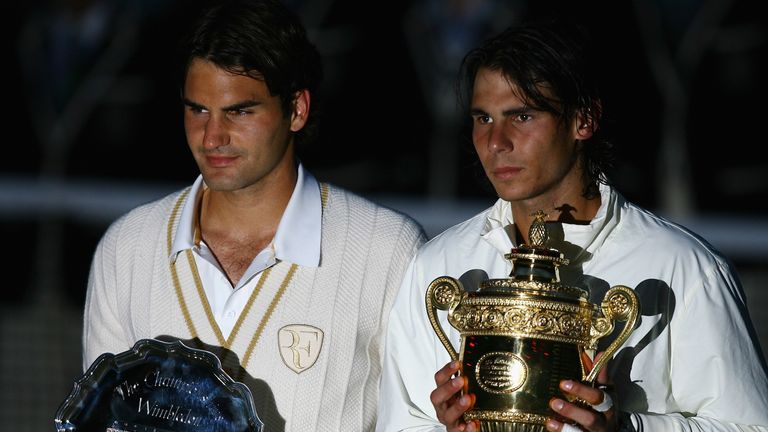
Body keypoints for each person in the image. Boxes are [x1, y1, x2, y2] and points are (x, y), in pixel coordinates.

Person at [376, 19, 768, 432]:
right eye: (483, 119)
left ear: (584, 120)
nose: (496, 142)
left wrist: (624, 428)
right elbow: (401, 423)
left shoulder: (685, 269)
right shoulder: (437, 264)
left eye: (522, 116)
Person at [81, 0, 426, 430]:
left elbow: (419, 420)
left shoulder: (387, 249)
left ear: (297, 109)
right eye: (197, 109)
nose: (212, 136)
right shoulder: (127, 247)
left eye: (239, 111)